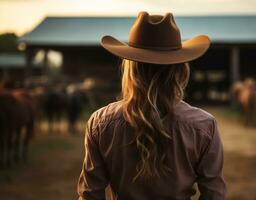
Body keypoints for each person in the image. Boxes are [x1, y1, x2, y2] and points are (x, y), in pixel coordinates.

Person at [77, 11, 226, 200]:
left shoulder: (100, 122)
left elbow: (90, 195)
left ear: (130, 68)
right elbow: (214, 195)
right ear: (179, 69)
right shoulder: (204, 126)